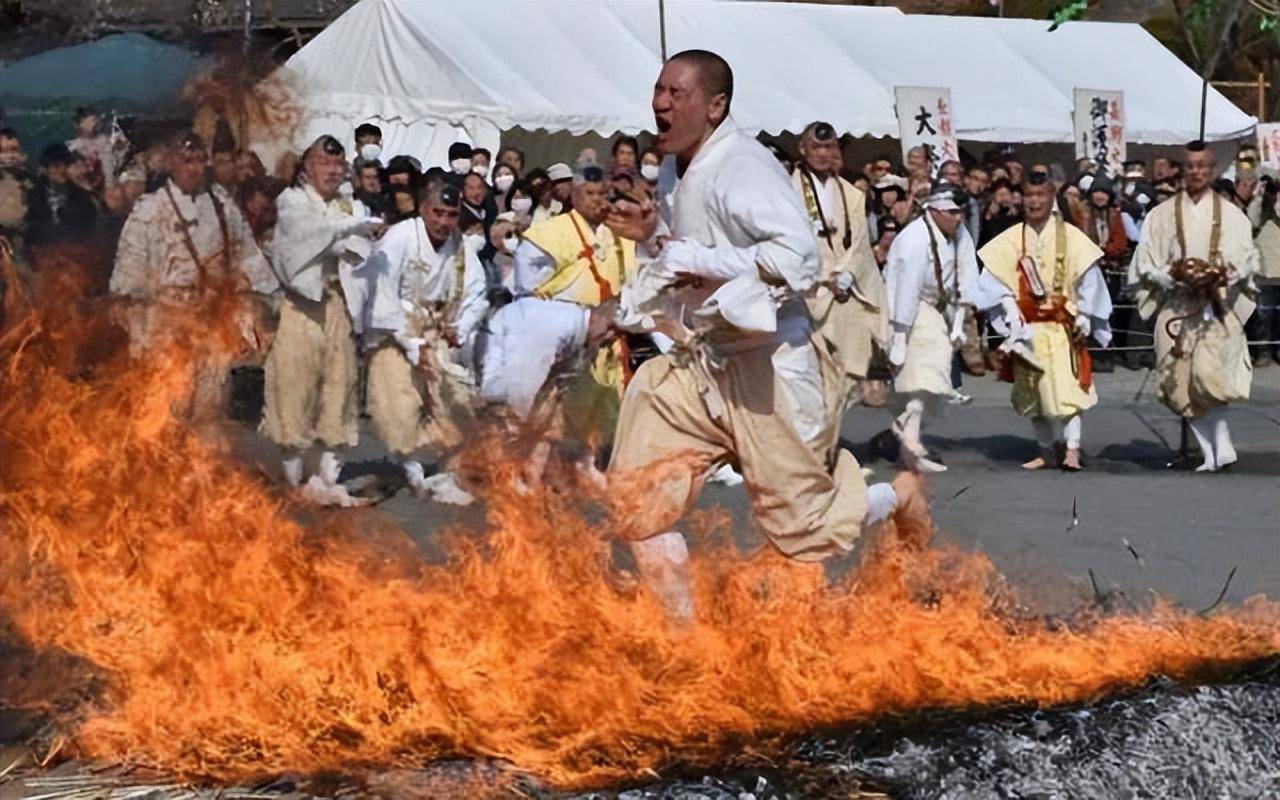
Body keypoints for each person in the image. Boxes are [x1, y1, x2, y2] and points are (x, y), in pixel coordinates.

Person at [603, 50, 907, 619]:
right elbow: (682, 255)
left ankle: (895, 498)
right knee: (636, 498)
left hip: (770, 361)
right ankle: (683, 636)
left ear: (716, 106)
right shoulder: (673, 168)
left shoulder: (743, 163)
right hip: (704, 361)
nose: (660, 103)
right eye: (658, 90)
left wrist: (694, 256)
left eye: (677, 93)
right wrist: (651, 236)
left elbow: (798, 259)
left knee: (802, 530)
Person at [109, 131, 278, 420]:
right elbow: (130, 269)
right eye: (187, 161)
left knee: (211, 401)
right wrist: (132, 316)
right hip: (167, 319)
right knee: (169, 404)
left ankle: (207, 460)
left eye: (201, 161)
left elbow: (246, 254)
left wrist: (258, 301)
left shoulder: (222, 204)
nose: (195, 168)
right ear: (172, 163)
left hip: (212, 315)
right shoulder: (150, 209)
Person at [482, 163, 638, 465]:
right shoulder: (550, 233)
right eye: (590, 193)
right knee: (545, 416)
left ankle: (583, 468)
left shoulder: (621, 236)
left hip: (606, 340)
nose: (598, 200)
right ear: (574, 194)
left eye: (603, 194)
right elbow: (527, 291)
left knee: (598, 417)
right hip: (562, 338)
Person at [260, 135, 384, 502]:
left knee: (338, 387)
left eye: (337, 165)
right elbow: (303, 237)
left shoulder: (346, 205)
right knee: (294, 389)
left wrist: (355, 233)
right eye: (324, 164)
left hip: (335, 304)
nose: (332, 172)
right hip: (299, 307)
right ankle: (293, 481)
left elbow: (358, 250)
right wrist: (347, 230)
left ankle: (327, 481)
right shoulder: (292, 201)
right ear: (306, 167)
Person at [1128, 141, 1259, 472]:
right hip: (1177, 306)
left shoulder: (1231, 215)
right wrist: (1167, 278)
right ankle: (1208, 451)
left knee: (1211, 377)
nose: (1196, 172)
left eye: (1203, 166)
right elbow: (1145, 260)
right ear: (1181, 170)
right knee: (1177, 382)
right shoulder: (1161, 215)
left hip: (1216, 306)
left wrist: (1221, 276)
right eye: (1190, 166)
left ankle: (1223, 443)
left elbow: (1247, 260)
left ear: (1212, 170)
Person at [361, 180, 486, 503]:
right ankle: (409, 464)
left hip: (439, 331)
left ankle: (449, 469)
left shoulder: (460, 246)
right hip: (397, 332)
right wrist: (410, 343)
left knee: (453, 402)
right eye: (438, 213)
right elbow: (381, 291)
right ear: (423, 209)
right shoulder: (401, 237)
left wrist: (462, 325)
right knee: (398, 403)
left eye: (451, 215)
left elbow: (476, 291)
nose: (444, 222)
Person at [976, 174, 1112, 470]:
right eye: (1028, 194)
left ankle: (1072, 449)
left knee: (1068, 389)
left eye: (1040, 194)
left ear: (1052, 197)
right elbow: (994, 280)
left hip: (1061, 326)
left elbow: (1090, 279)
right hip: (1028, 329)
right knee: (1033, 393)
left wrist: (1086, 315)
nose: (1034, 201)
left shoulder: (1071, 237)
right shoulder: (1013, 238)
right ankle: (1046, 449)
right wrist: (1010, 311)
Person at [881, 183, 979, 473]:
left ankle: (907, 449)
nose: (957, 218)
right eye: (951, 212)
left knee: (925, 387)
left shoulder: (959, 235)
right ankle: (907, 441)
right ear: (933, 210)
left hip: (938, 310)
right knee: (924, 378)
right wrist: (898, 336)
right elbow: (904, 288)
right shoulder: (914, 239)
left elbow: (966, 277)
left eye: (960, 212)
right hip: (910, 311)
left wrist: (959, 323)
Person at [791, 120, 886, 409]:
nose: (822, 153)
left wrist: (846, 274)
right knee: (809, 378)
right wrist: (823, 277)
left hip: (846, 290)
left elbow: (860, 243)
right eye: (816, 147)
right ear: (803, 149)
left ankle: (830, 439)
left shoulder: (851, 193)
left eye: (828, 147)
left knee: (848, 374)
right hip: (808, 293)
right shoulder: (787, 191)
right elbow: (789, 242)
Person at [26, 143, 98, 251]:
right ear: (45, 169)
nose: (62, 170)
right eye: (57, 166)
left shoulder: (83, 199)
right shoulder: (33, 195)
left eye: (66, 165)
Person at [1251, 178, 1280, 366]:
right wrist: (1257, 196)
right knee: (1264, 316)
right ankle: (1263, 351)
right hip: (1266, 277)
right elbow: (1250, 217)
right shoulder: (1263, 220)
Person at [66, 107, 119, 187]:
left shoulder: (106, 139)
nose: (92, 126)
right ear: (77, 126)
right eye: (88, 123)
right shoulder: (74, 146)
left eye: (93, 121)